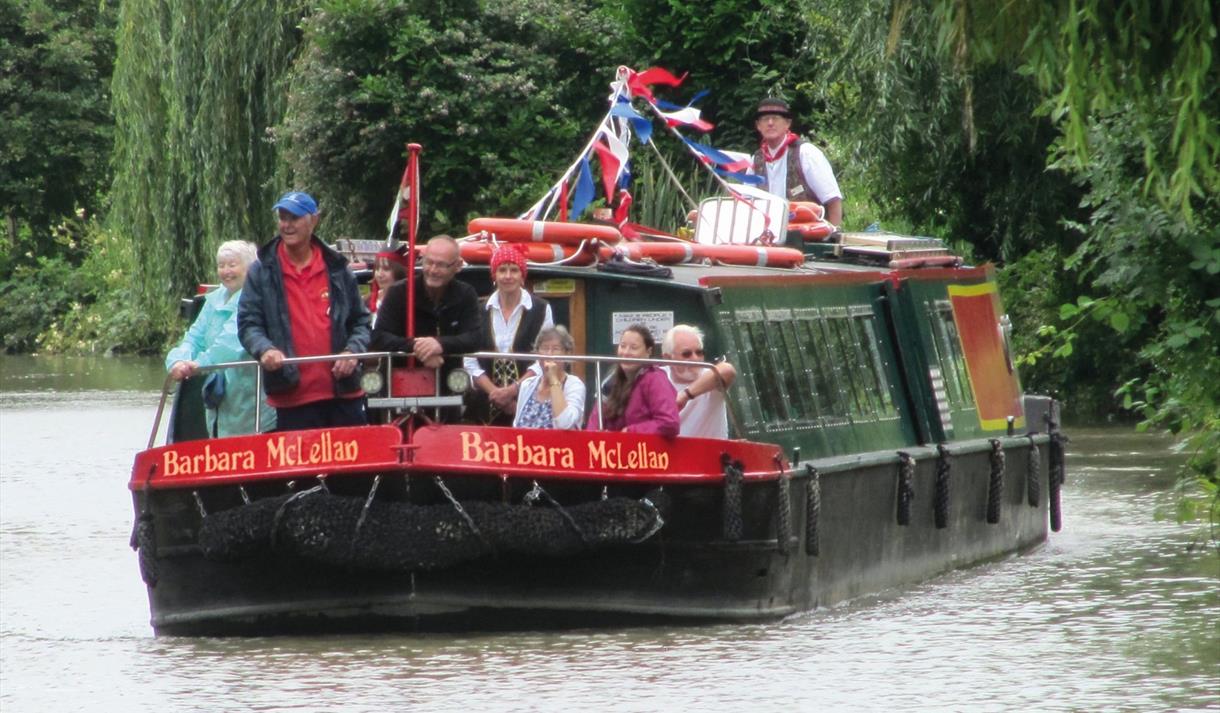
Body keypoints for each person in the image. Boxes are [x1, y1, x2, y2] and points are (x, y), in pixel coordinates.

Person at [238, 191, 370, 430]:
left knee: (355, 468)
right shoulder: (261, 271)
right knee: (302, 468)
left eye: (294, 218)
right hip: (291, 396)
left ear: (314, 220)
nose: (287, 225)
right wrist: (264, 349)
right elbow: (248, 324)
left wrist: (352, 351)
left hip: (344, 393)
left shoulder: (338, 268)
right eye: (282, 217)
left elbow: (361, 321)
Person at [166, 241, 276, 437]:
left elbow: (228, 345)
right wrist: (177, 360)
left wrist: (197, 365)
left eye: (232, 265)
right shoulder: (213, 299)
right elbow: (195, 336)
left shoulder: (256, 299)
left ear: (250, 267)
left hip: (250, 394)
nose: (226, 271)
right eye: (221, 265)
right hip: (220, 397)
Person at [370, 235, 483, 417]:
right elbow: (378, 337)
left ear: (457, 266)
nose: (433, 270)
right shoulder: (399, 292)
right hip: (397, 391)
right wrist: (416, 348)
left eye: (442, 265)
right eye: (429, 262)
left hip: (447, 389)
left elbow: (475, 337)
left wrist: (440, 344)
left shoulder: (465, 294)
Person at [464, 244, 554, 425]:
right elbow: (469, 358)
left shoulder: (542, 309)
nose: (507, 276)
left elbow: (546, 357)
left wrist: (514, 391)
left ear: (522, 276)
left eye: (514, 270)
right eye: (502, 270)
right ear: (494, 276)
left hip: (529, 400)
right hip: (484, 404)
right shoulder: (477, 309)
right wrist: (494, 393)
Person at [750, 97, 843, 227]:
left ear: (787, 123)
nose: (770, 123)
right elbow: (747, 205)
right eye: (765, 119)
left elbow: (833, 200)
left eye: (776, 118)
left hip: (808, 238)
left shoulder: (806, 153)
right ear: (758, 126)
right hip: (769, 238)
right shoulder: (756, 160)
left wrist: (832, 237)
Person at [586, 324, 680, 436]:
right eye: (622, 346)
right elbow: (594, 422)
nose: (626, 352)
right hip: (614, 451)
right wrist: (594, 435)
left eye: (633, 347)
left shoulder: (655, 379)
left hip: (647, 452)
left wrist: (630, 432)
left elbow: (669, 423)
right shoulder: (611, 381)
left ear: (648, 352)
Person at [661, 324, 737, 439]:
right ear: (668, 358)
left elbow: (727, 370)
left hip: (709, 452)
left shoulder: (710, 376)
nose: (695, 358)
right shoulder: (656, 378)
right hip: (666, 453)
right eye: (686, 354)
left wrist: (685, 395)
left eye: (699, 352)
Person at [513, 326, 585, 430]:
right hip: (524, 445)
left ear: (567, 353)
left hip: (558, 446)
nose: (549, 354)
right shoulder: (527, 384)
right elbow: (517, 425)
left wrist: (553, 378)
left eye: (556, 349)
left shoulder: (575, 385)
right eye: (545, 348)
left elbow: (564, 424)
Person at [367, 246, 409, 328]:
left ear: (398, 272)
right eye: (377, 269)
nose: (379, 274)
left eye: (386, 269)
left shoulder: (409, 303)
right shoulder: (366, 301)